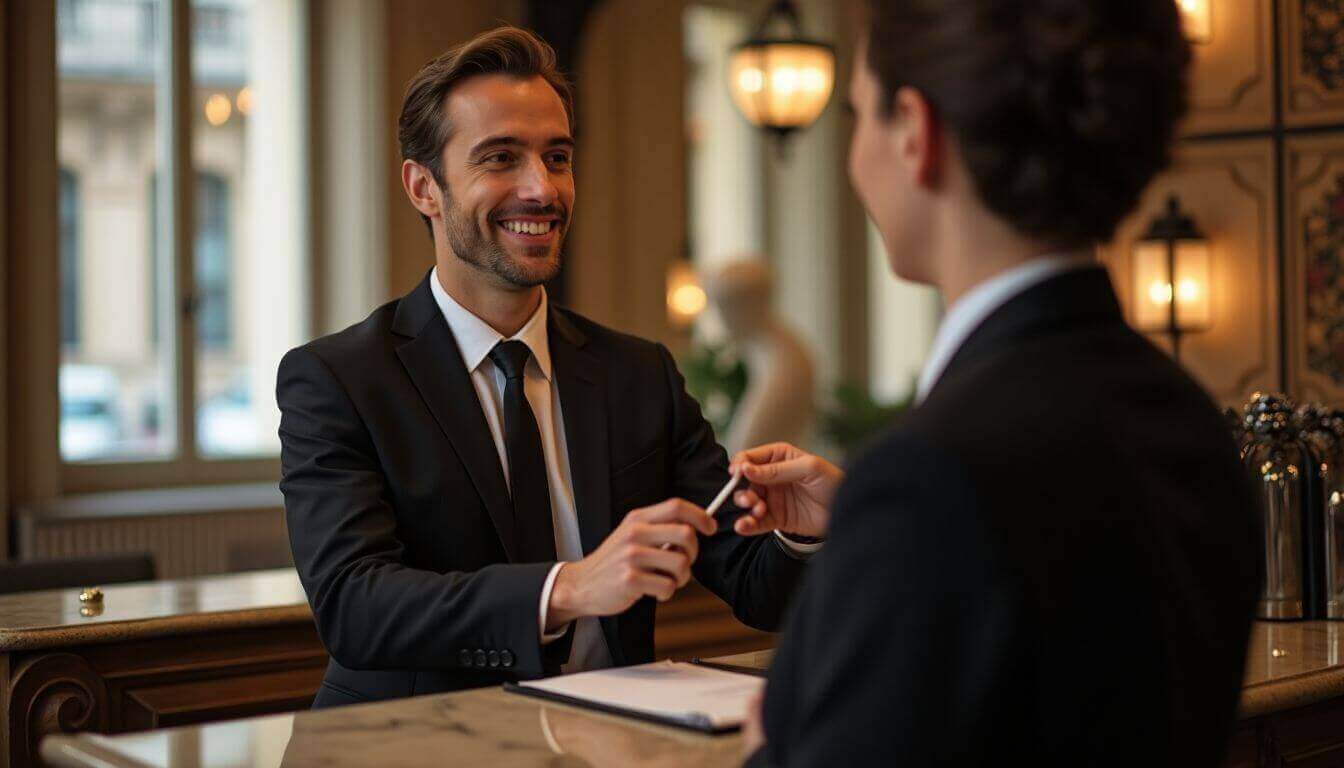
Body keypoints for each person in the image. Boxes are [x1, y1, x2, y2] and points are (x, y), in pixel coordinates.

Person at [734, 1, 1259, 765]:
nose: (854, 162)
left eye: (857, 119)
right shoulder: (1190, 420)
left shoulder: (930, 477)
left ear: (914, 132)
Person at [275, 27, 825, 708]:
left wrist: (802, 536)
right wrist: (570, 588)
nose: (542, 189)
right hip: (416, 745)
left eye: (557, 156)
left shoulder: (639, 373)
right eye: (501, 158)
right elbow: (354, 605)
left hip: (616, 742)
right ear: (424, 188)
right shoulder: (338, 379)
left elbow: (754, 586)